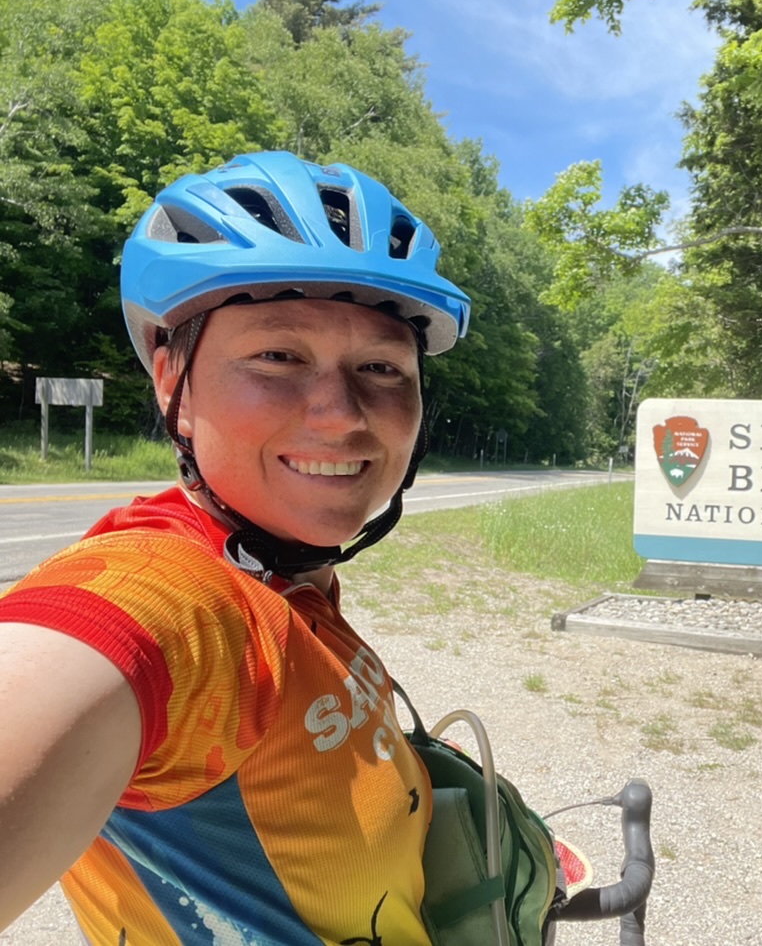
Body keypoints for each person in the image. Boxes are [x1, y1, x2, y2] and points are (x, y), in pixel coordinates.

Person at [0, 150, 471, 944]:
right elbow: (78, 654)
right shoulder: (161, 593)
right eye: (278, 356)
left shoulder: (284, 570)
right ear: (170, 380)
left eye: (381, 367)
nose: (339, 413)